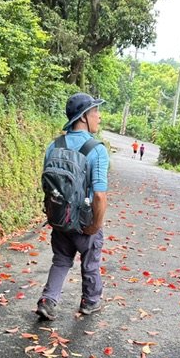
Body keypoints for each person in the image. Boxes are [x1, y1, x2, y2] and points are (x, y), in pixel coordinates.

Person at [36, 92, 109, 321]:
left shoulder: (53, 145)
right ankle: (90, 301)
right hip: (84, 221)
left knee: (61, 260)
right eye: (95, 111)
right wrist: (95, 226)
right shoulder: (97, 150)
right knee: (90, 261)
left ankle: (48, 300)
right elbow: (99, 195)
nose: (99, 116)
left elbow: (47, 185)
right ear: (84, 116)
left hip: (59, 218)